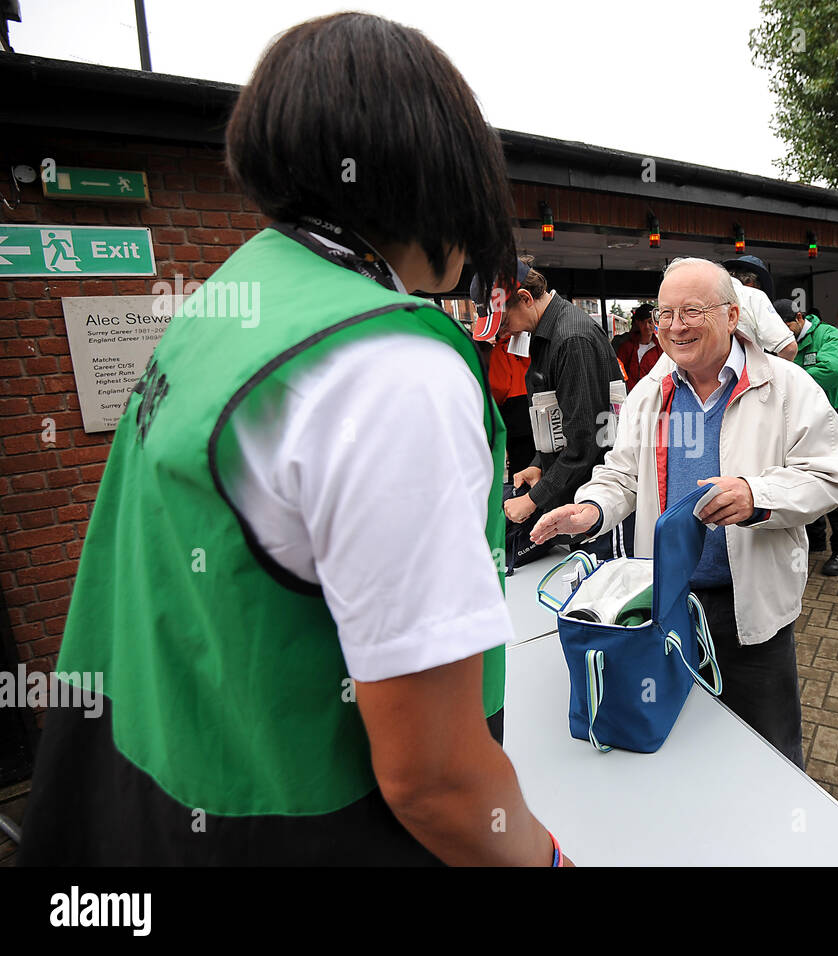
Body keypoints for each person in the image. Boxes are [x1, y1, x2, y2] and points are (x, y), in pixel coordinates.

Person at [19, 12, 570, 866]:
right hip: (308, 829)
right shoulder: (390, 365)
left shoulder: (220, 309)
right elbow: (435, 778)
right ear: (439, 171)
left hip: (140, 800)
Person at [529, 258, 838, 766]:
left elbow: (832, 477)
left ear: (731, 315)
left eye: (692, 311)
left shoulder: (788, 387)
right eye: (665, 314)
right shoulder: (650, 394)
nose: (676, 326)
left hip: (749, 609)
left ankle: (776, 828)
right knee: (680, 741)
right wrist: (590, 510)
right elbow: (621, 475)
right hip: (667, 605)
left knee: (771, 746)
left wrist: (757, 496)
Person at [478, 256, 627, 558]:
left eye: (503, 321)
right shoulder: (547, 335)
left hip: (597, 500)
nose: (503, 332)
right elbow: (562, 419)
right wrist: (537, 464)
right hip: (575, 497)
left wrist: (532, 500)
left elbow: (584, 443)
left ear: (525, 298)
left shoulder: (572, 338)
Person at [776, 298, 838, 576]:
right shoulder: (780, 341)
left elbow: (835, 371)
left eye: (786, 328)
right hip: (802, 420)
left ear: (799, 318)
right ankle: (816, 539)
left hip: (833, 417)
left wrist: (791, 376)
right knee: (805, 479)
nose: (783, 336)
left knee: (836, 481)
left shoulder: (827, 335)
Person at [721, 254, 798, 360]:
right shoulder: (753, 295)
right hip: (741, 372)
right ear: (752, 282)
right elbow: (789, 348)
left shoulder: (707, 293)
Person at [488, 326, 535, 476]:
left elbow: (499, 386)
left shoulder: (501, 350)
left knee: (520, 463)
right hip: (536, 401)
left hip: (515, 411)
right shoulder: (531, 345)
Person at [617, 305, 662, 391]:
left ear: (655, 323)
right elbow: (619, 372)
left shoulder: (661, 348)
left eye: (650, 322)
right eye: (642, 322)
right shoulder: (627, 347)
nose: (647, 326)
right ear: (637, 323)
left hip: (653, 394)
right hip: (631, 394)